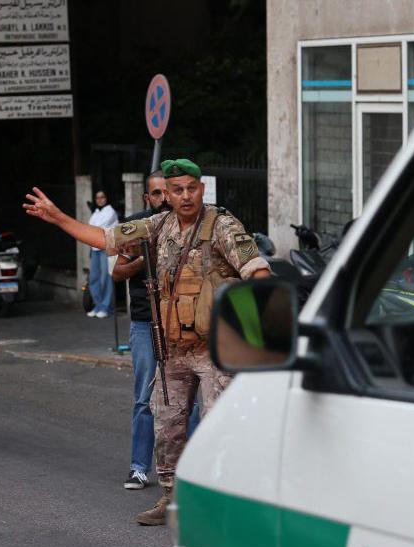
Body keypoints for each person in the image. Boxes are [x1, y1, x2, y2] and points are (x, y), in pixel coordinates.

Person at [23, 158, 271, 526]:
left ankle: (227, 502)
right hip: (172, 349)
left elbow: (259, 274)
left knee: (220, 426)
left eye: (192, 187)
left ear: (202, 189)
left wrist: (257, 330)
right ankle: (171, 500)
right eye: (177, 190)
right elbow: (106, 239)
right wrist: (59, 217)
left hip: (216, 349)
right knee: (167, 424)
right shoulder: (157, 226)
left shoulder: (223, 226)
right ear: (166, 195)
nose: (186, 196)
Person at [111, 171, 199, 491]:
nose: (164, 198)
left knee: (188, 396)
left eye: (169, 192)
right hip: (145, 321)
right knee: (145, 397)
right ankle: (138, 468)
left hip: (180, 322)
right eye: (157, 193)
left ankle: (194, 467)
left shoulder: (190, 225)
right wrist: (143, 257)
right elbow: (118, 273)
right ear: (147, 198)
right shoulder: (136, 227)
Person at [86, 190, 118, 318]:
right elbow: (90, 227)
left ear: (107, 198)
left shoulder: (110, 212)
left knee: (106, 277)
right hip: (94, 248)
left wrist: (92, 228)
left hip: (106, 248)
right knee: (94, 278)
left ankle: (106, 307)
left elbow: (98, 227)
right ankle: (98, 305)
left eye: (102, 197)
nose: (100, 200)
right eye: (97, 197)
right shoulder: (96, 213)